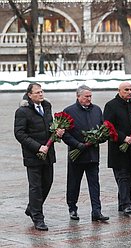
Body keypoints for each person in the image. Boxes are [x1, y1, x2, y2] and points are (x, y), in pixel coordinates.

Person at [14, 83, 65, 231]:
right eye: (37, 92)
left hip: (48, 153)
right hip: (33, 155)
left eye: (42, 91)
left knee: (47, 183)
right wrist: (37, 147)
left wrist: (58, 132)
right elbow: (19, 133)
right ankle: (38, 218)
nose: (41, 94)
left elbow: (50, 126)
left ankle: (32, 208)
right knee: (35, 187)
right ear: (29, 95)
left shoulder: (47, 106)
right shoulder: (22, 111)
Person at [62, 85, 109, 222]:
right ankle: (72, 208)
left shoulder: (96, 110)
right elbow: (65, 134)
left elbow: (102, 128)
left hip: (92, 154)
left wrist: (100, 137)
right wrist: (77, 145)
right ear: (78, 97)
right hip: (76, 155)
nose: (89, 99)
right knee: (74, 183)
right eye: (86, 97)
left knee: (94, 183)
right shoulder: (69, 111)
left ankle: (96, 211)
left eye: (90, 96)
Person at [104, 82, 131, 216]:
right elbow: (108, 126)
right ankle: (127, 204)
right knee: (122, 176)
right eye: (126, 90)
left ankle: (122, 204)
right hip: (118, 147)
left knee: (130, 176)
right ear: (119, 91)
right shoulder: (111, 105)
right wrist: (123, 138)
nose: (129, 92)